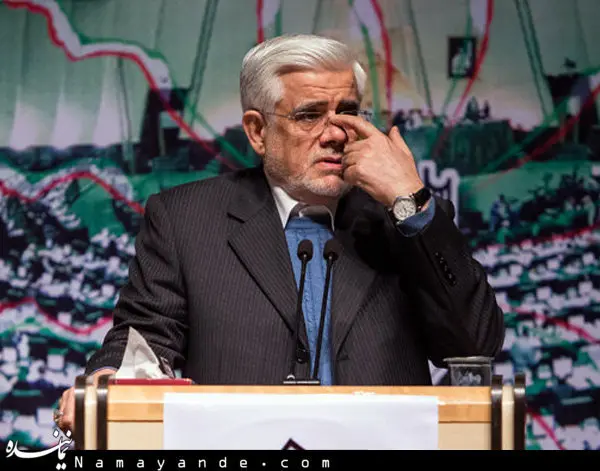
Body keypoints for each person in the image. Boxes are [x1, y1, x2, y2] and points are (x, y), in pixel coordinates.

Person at [55, 33, 505, 432]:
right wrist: (108, 380)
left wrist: (411, 202)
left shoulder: (405, 218)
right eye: (310, 115)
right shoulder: (185, 218)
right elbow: (145, 338)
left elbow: (474, 345)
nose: (336, 134)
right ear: (258, 131)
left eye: (348, 113)